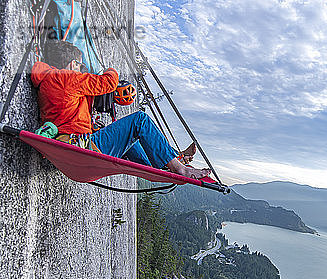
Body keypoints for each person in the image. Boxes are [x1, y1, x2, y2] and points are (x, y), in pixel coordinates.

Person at [31, 41, 210, 179]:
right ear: (72, 64)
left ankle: (167, 163)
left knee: (129, 137)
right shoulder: (66, 77)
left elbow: (67, 116)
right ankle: (179, 167)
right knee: (139, 120)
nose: (82, 70)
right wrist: (108, 69)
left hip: (69, 153)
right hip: (84, 151)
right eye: (80, 66)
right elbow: (108, 82)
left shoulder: (47, 83)